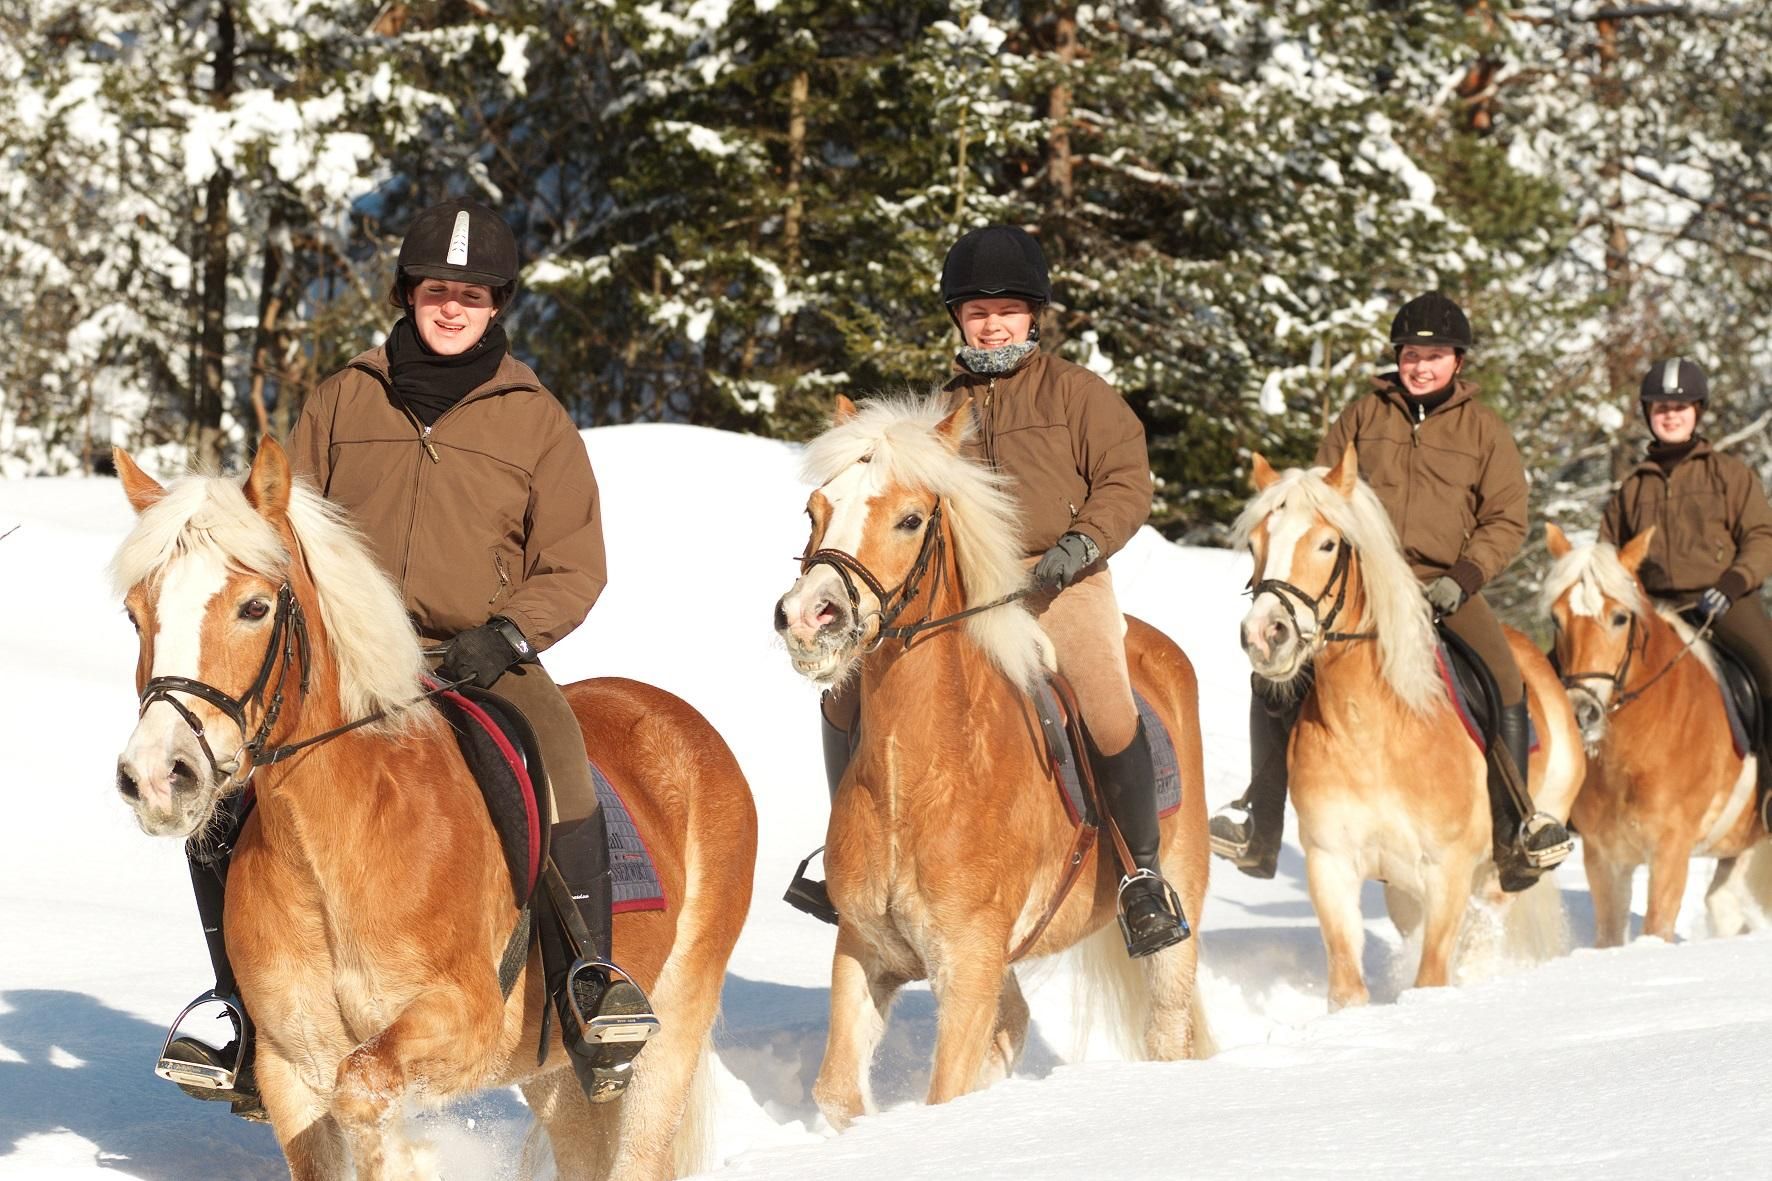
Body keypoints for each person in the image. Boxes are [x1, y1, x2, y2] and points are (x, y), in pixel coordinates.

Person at [159, 199, 652, 1112]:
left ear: (497, 304)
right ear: (407, 294)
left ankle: (587, 979)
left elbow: (575, 563)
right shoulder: (344, 398)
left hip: (483, 652)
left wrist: (508, 634)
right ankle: (240, 1007)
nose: (452, 306)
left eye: (473, 293)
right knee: (225, 788)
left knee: (560, 757)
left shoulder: (536, 418)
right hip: (345, 654)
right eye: (436, 290)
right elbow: (277, 525)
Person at [784, 224, 1189, 958]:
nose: (992, 324)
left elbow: (1129, 482)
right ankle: (848, 854)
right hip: (965, 587)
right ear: (958, 320)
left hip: (1062, 578)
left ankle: (1141, 876)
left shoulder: (1078, 394)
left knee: (1102, 701)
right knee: (848, 694)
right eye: (977, 312)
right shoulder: (940, 411)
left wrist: (1080, 544)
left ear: (1034, 315)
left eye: (1007, 310)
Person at [1208, 291, 1572, 885]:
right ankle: (1260, 820)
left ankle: (1516, 830)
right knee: (1274, 677)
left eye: (1434, 356)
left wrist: (1464, 577)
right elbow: (1320, 497)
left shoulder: (1484, 430)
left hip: (1443, 585)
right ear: (1397, 358)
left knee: (1504, 678)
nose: (1420, 367)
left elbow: (1506, 519)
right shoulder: (1362, 417)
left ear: (1458, 361)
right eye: (1411, 355)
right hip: (1358, 585)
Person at [1600, 357, 1772, 821]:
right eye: (1660, 408)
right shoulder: (1631, 489)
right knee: (1576, 672)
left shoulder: (1729, 475)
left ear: (1698, 411)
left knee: (1771, 666)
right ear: (1648, 414)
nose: (1670, 415)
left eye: (1680, 407)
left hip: (1722, 600)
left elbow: (1762, 538)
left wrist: (1733, 582)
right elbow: (1608, 554)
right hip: (1653, 607)